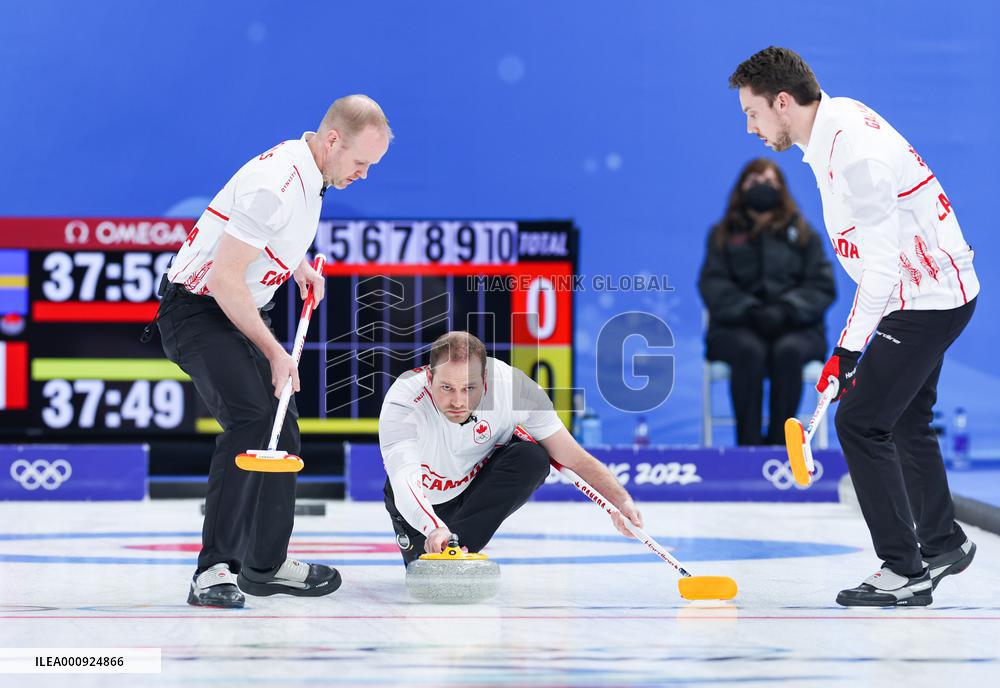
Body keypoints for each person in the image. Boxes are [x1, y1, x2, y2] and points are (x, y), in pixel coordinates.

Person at [730, 47, 979, 607]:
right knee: (906, 416)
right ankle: (943, 542)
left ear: (784, 102)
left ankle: (903, 569)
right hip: (926, 291)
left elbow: (885, 270)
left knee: (862, 421)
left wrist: (847, 351)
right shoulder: (831, 127)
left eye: (753, 112)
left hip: (924, 299)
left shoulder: (854, 154)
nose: (750, 127)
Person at [157, 95, 392, 607]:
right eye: (360, 163)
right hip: (199, 310)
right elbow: (223, 280)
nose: (364, 175)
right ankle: (213, 569)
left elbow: (266, 236)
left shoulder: (311, 169)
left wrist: (297, 265)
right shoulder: (277, 184)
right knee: (250, 422)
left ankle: (265, 566)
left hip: (234, 310)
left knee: (279, 428)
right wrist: (276, 352)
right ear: (333, 140)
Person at [378, 331, 642, 563]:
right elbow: (404, 480)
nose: (457, 401)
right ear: (429, 377)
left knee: (533, 457)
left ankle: (458, 548)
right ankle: (445, 546)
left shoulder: (514, 389)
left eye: (469, 388)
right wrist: (434, 527)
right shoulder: (403, 403)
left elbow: (574, 458)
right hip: (422, 506)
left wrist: (621, 501)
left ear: (485, 379)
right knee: (423, 577)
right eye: (446, 387)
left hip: (474, 493)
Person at [699, 157, 836, 446]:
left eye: (770, 181)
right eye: (754, 181)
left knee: (787, 352)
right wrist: (747, 308)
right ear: (741, 188)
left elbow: (822, 286)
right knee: (750, 351)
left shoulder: (803, 235)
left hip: (796, 329)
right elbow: (712, 283)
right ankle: (748, 449)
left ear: (781, 189)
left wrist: (787, 309)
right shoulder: (722, 235)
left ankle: (780, 447)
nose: (762, 187)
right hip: (737, 328)